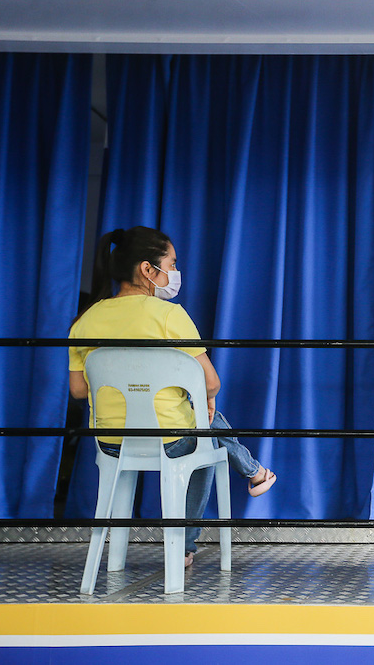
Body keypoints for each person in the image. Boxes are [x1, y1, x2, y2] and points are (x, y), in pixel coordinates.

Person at [68, 226, 276, 567]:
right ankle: (184, 546)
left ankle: (252, 472)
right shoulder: (169, 315)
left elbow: (78, 390)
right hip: (170, 440)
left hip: (111, 442)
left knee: (204, 428)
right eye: (172, 264)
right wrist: (206, 399)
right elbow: (211, 382)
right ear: (148, 269)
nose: (176, 272)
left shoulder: (84, 321)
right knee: (205, 432)